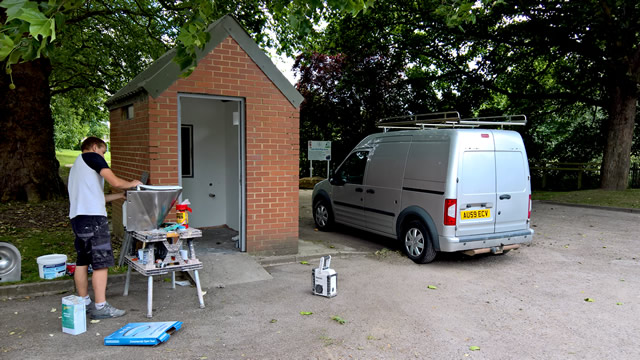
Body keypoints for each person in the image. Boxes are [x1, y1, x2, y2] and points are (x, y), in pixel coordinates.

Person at [68, 137, 142, 319]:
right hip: (93, 219)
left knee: (82, 260)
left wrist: (119, 195)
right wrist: (132, 184)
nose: (103, 155)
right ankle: (101, 306)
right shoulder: (92, 157)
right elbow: (115, 181)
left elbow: (96, 197)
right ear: (94, 147)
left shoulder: (77, 166)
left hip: (78, 218)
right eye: (103, 151)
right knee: (101, 261)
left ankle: (84, 302)